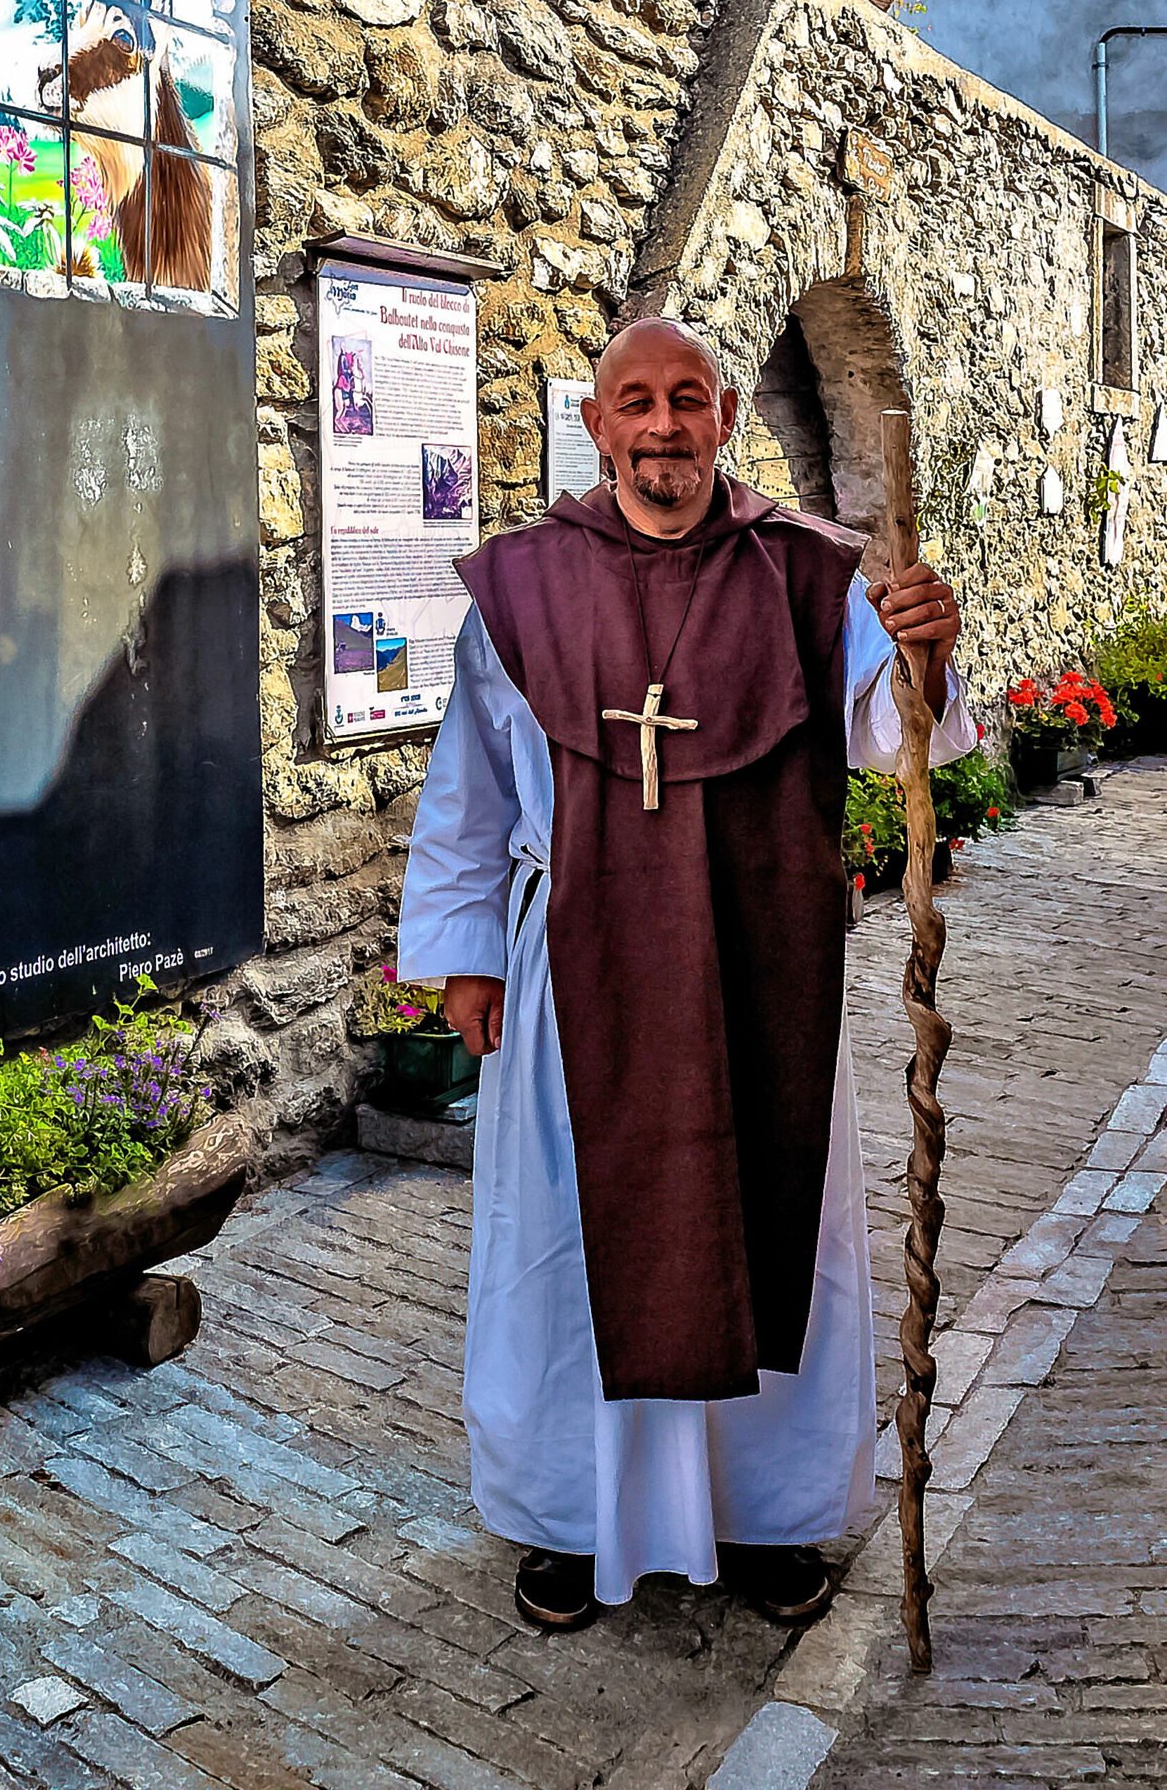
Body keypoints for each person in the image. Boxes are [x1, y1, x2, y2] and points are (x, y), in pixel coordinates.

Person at [395, 317, 972, 1633]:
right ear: (599, 428)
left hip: (758, 973)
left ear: (725, 420)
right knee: (560, 1251)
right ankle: (565, 1520)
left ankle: (767, 1519)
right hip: (568, 975)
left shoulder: (811, 577)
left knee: (778, 1240)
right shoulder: (524, 587)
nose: (664, 428)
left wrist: (928, 644)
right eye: (636, 404)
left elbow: (899, 737)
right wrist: (467, 957)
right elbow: (470, 786)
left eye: (690, 402)